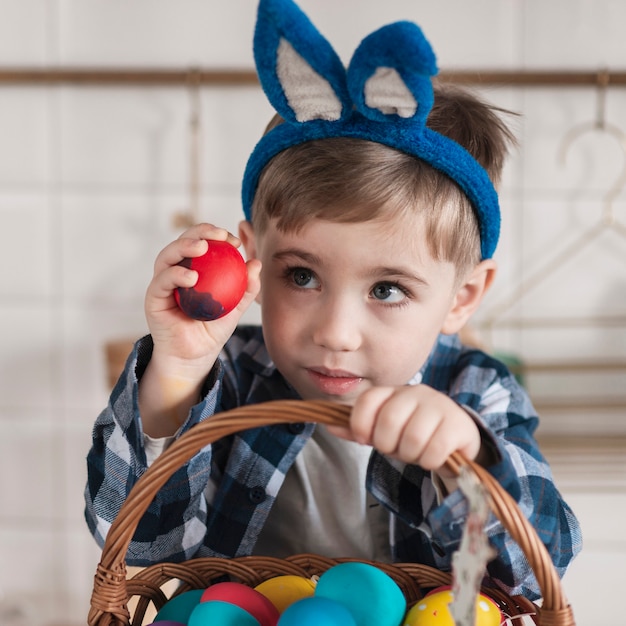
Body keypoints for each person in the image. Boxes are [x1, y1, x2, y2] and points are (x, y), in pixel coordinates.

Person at [85, 0, 581, 600]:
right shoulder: (236, 377)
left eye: (388, 289)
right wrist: (179, 373)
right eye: (301, 277)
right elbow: (138, 545)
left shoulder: (476, 392)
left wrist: (467, 457)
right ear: (253, 264)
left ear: (463, 296)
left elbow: (535, 569)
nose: (336, 333)